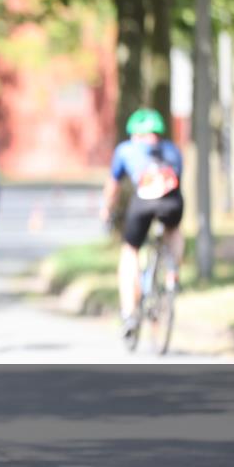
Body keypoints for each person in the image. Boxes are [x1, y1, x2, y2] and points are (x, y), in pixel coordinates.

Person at [100, 108, 184, 340]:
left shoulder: (126, 149)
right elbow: (179, 179)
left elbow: (113, 185)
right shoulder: (173, 149)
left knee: (130, 251)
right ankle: (172, 273)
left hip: (144, 203)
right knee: (174, 230)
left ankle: (128, 313)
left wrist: (107, 210)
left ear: (134, 134)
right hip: (172, 202)